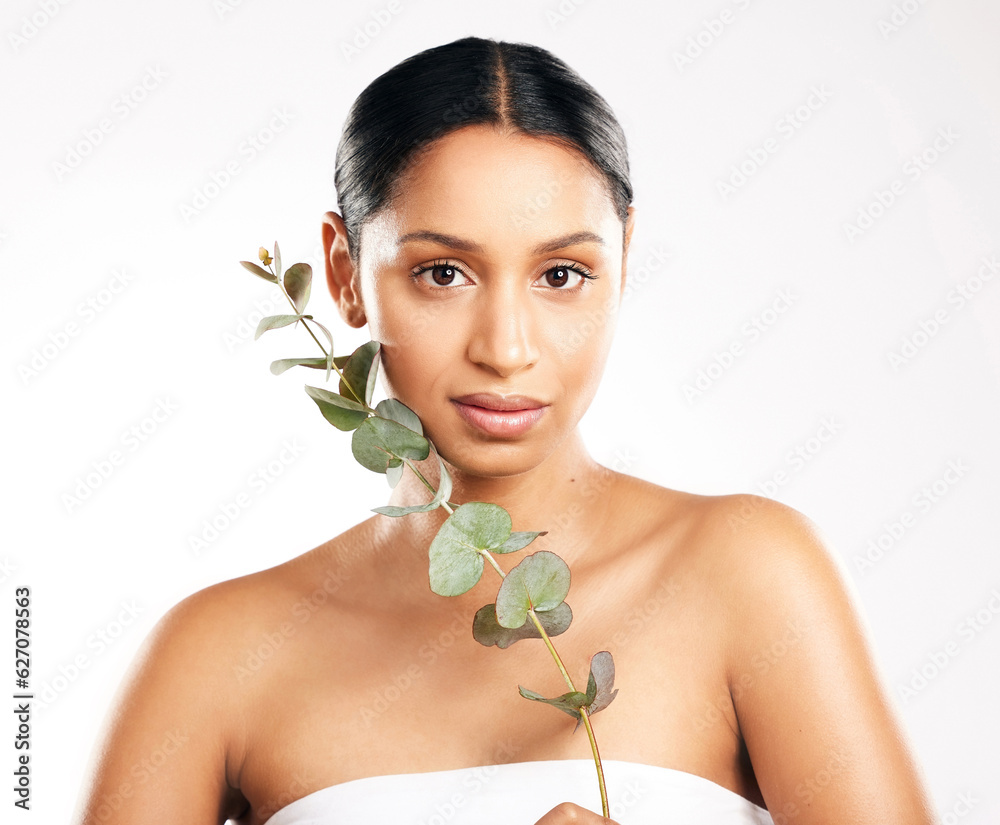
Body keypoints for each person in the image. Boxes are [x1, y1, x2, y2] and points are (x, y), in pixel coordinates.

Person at [73, 36, 937, 825]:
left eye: (562, 273)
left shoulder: (750, 575)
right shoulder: (215, 653)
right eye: (443, 272)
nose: (507, 348)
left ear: (623, 263)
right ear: (344, 274)